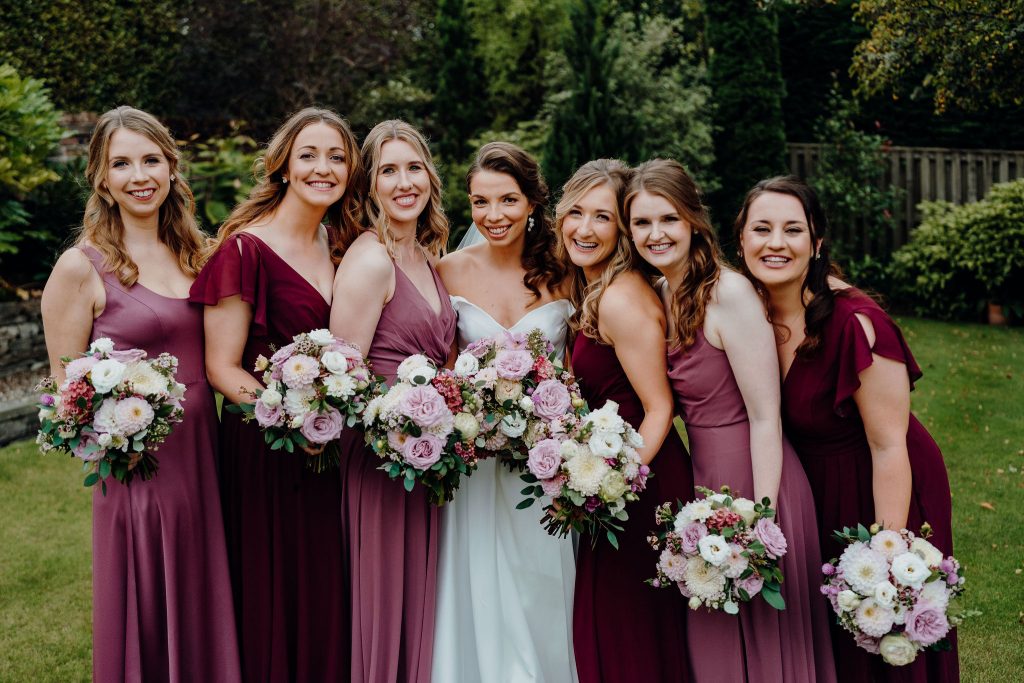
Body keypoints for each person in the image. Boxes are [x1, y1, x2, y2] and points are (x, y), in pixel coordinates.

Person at [40, 106, 241, 682]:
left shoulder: (198, 255)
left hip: (206, 458)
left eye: (151, 160)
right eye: (121, 164)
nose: (139, 176)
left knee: (204, 592)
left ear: (172, 169)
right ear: (102, 179)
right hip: (141, 469)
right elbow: (65, 394)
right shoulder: (81, 267)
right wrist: (115, 441)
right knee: (152, 601)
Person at [735, 175, 958, 682]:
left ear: (816, 243)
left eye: (793, 230)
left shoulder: (857, 322)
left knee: (877, 624)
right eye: (762, 229)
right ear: (741, 239)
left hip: (879, 481)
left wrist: (890, 556)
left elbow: (889, 445)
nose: (775, 243)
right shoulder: (749, 311)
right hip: (814, 486)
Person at [626, 159, 836, 682]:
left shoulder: (730, 293)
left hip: (758, 481)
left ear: (693, 220)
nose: (656, 234)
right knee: (715, 644)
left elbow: (765, 417)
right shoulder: (661, 291)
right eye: (642, 222)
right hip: (706, 484)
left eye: (668, 219)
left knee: (765, 642)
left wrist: (761, 520)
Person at [189, 107, 362, 681]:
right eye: (308, 155)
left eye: (336, 157)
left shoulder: (340, 244)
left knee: (325, 582)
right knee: (276, 585)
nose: (323, 168)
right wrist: (290, 420)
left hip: (329, 447)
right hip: (265, 448)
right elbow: (221, 366)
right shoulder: (245, 250)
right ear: (283, 166)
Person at [433, 142, 577, 682]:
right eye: (480, 202)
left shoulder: (565, 271)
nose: (493, 215)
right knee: (478, 587)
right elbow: (445, 367)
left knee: (539, 584)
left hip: (543, 464)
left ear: (533, 202)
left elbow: (576, 370)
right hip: (475, 462)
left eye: (508, 200)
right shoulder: (448, 271)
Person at [330, 119, 456, 683]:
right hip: (381, 458)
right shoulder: (371, 259)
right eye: (388, 171)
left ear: (429, 175)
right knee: (385, 600)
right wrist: (400, 426)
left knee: (419, 598)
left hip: (425, 453)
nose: (405, 183)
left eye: (414, 168)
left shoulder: (424, 256)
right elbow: (344, 380)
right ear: (370, 185)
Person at [556, 159, 692, 683]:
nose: (584, 229)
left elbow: (660, 407)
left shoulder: (619, 298)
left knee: (627, 632)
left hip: (641, 483)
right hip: (615, 478)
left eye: (603, 217)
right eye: (576, 212)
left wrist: (610, 485)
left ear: (622, 232)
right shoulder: (596, 286)